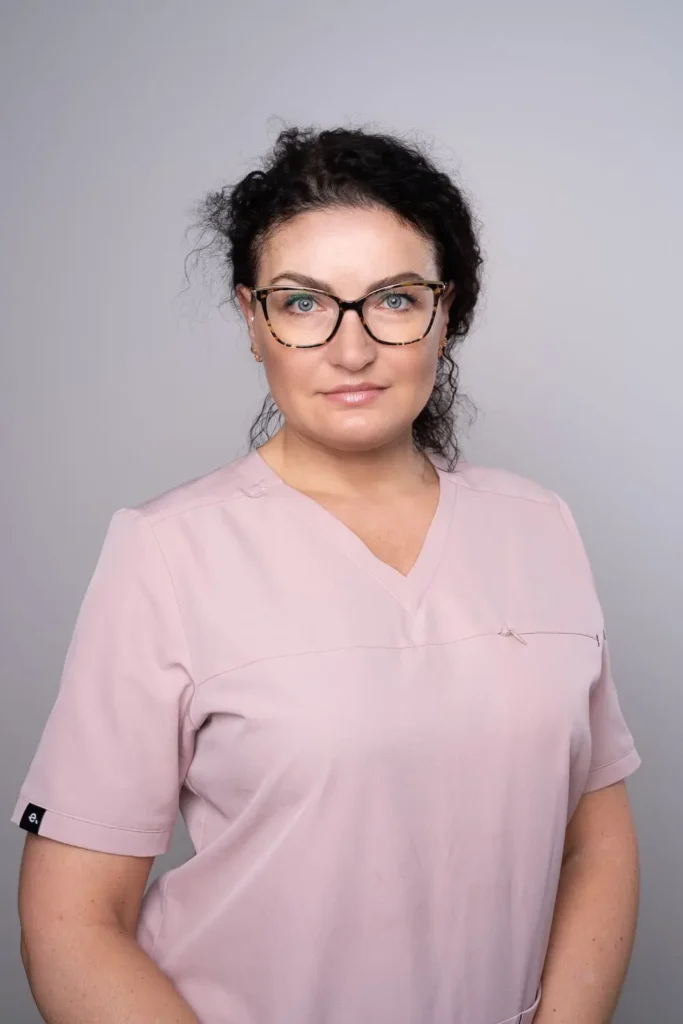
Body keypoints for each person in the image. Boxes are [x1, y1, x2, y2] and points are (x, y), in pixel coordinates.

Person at [13, 126, 641, 1024]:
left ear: (447, 311)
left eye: (395, 298)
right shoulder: (166, 552)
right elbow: (71, 919)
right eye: (304, 303)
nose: (352, 349)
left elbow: (596, 844)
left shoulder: (538, 526)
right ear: (251, 319)